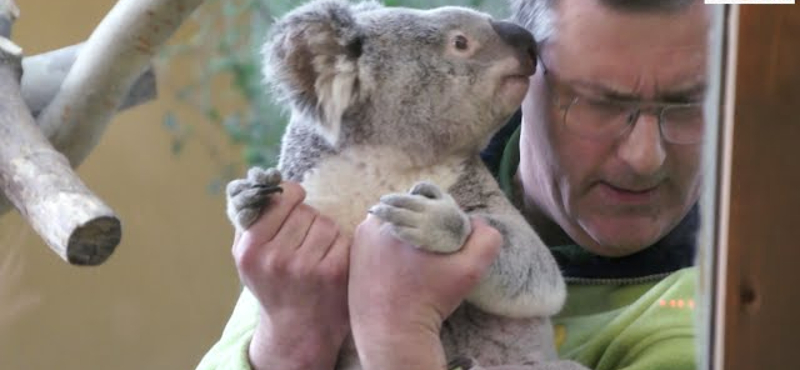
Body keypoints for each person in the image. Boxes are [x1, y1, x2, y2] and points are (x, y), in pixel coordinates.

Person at [196, 0, 709, 369]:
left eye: (691, 103)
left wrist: (397, 333)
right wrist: (292, 340)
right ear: (525, 82)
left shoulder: (723, 313)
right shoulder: (345, 189)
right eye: (601, 103)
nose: (645, 157)